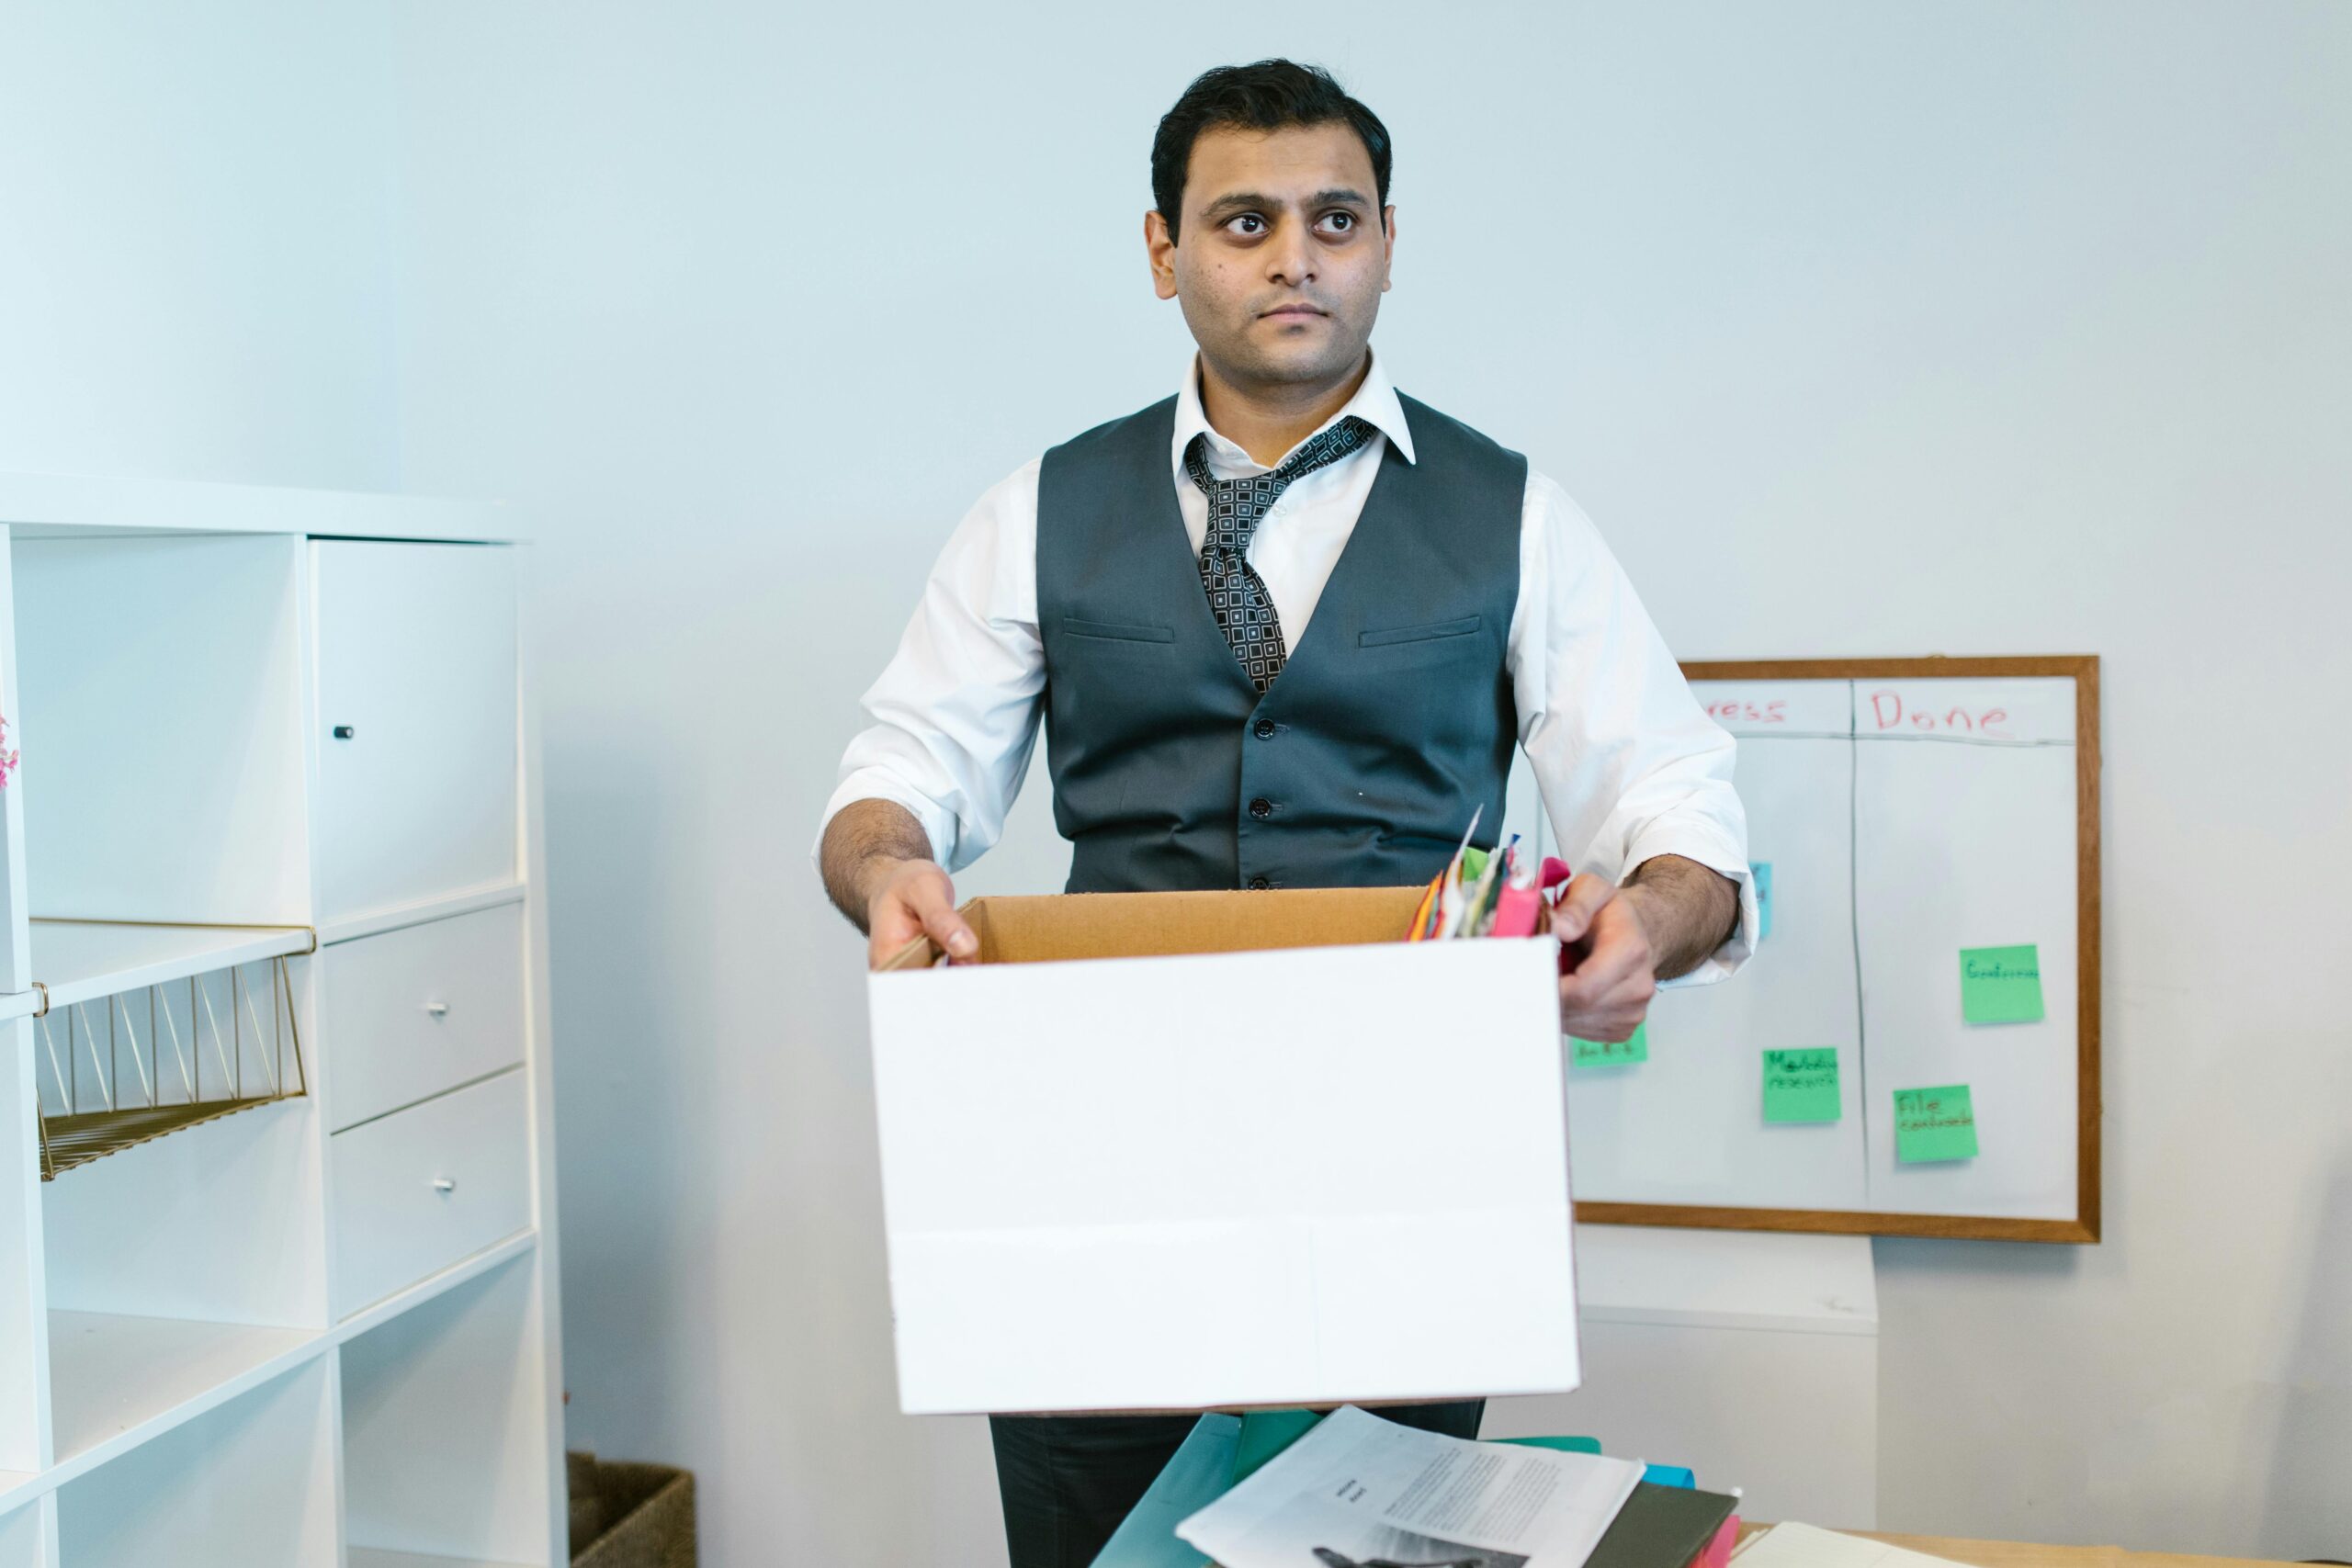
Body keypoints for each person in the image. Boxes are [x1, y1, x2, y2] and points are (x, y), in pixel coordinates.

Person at [816, 58, 1757, 1568]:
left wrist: (1655, 911)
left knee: (1366, 1543)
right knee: (1088, 1540)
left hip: (1407, 1162)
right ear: (1162, 251)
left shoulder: (1512, 511)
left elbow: (1675, 795)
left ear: (1389, 241)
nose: (1295, 256)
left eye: (1335, 217)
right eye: (1243, 220)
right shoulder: (1037, 510)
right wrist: (891, 873)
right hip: (1090, 1157)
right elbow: (895, 774)